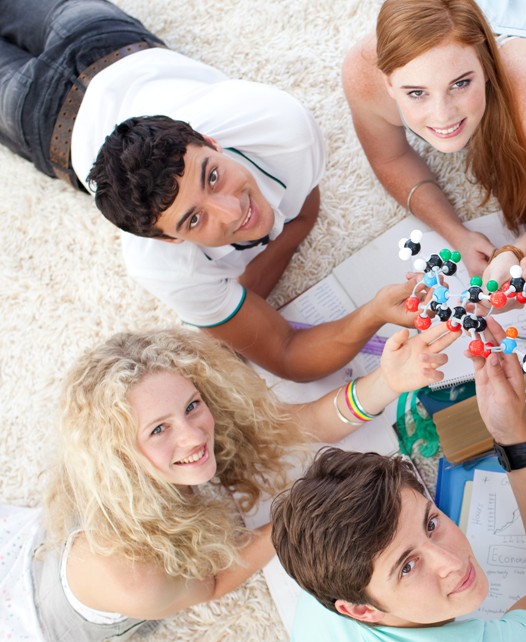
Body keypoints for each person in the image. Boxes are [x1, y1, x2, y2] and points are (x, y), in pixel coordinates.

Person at [0, 0, 417, 382]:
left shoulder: (282, 126)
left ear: (210, 142)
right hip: (48, 121)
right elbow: (286, 351)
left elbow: (307, 209)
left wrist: (229, 309)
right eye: (194, 218)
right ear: (167, 238)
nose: (232, 212)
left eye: (212, 177)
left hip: (101, 37)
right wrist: (370, 313)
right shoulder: (162, 265)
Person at [3, 323, 459, 642]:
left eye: (191, 406)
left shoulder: (182, 431)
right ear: (118, 454)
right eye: (159, 430)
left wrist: (388, 381)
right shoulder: (131, 574)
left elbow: (295, 427)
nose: (192, 436)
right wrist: (293, 515)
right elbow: (211, 582)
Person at [271, 336, 526, 642]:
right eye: (407, 567)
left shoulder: (323, 587)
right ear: (360, 610)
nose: (451, 562)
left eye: (430, 524)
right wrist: (512, 436)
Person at [342, 0, 526, 285]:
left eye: (460, 84)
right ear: (389, 83)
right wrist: (457, 234)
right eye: (417, 93)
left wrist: (516, 254)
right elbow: (390, 159)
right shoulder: (363, 72)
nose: (443, 116)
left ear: (487, 66)